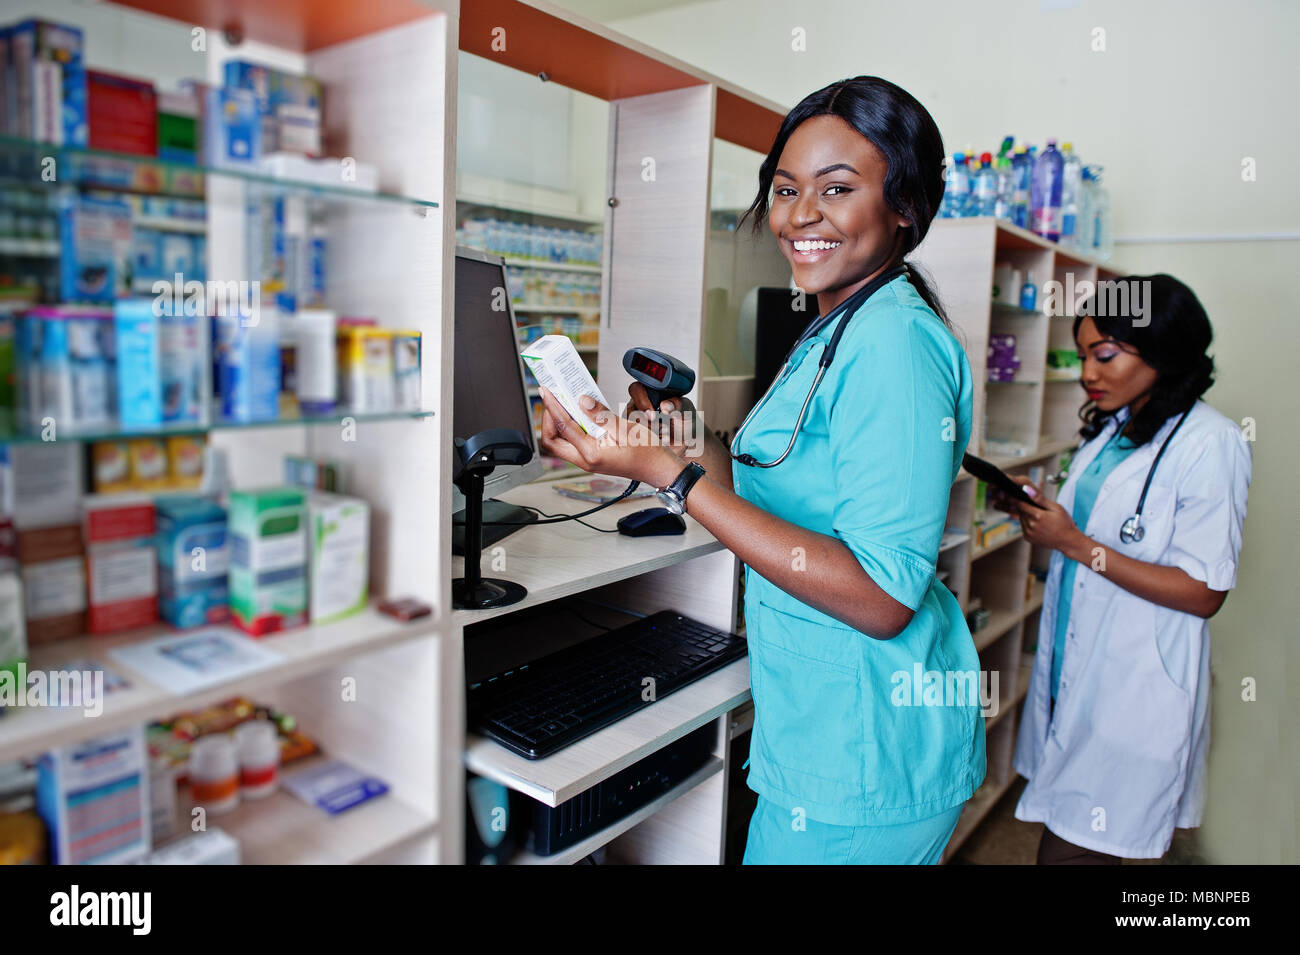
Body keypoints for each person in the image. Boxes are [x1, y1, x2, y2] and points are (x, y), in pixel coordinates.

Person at [536, 76, 985, 864]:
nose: (800, 215)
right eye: (784, 189)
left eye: (836, 189)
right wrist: (679, 441)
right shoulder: (836, 326)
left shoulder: (893, 345)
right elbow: (767, 482)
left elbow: (883, 597)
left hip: (867, 748)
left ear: (905, 206)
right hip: (826, 728)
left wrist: (673, 477)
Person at [1000, 273, 1251, 863]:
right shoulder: (1115, 429)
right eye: (1085, 354)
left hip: (1137, 688)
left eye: (1105, 354)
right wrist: (1043, 514)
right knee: (1064, 838)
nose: (1089, 372)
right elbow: (1095, 529)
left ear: (1161, 351)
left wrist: (1075, 543)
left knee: (1075, 850)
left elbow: (1204, 590)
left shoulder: (1212, 443)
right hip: (1076, 667)